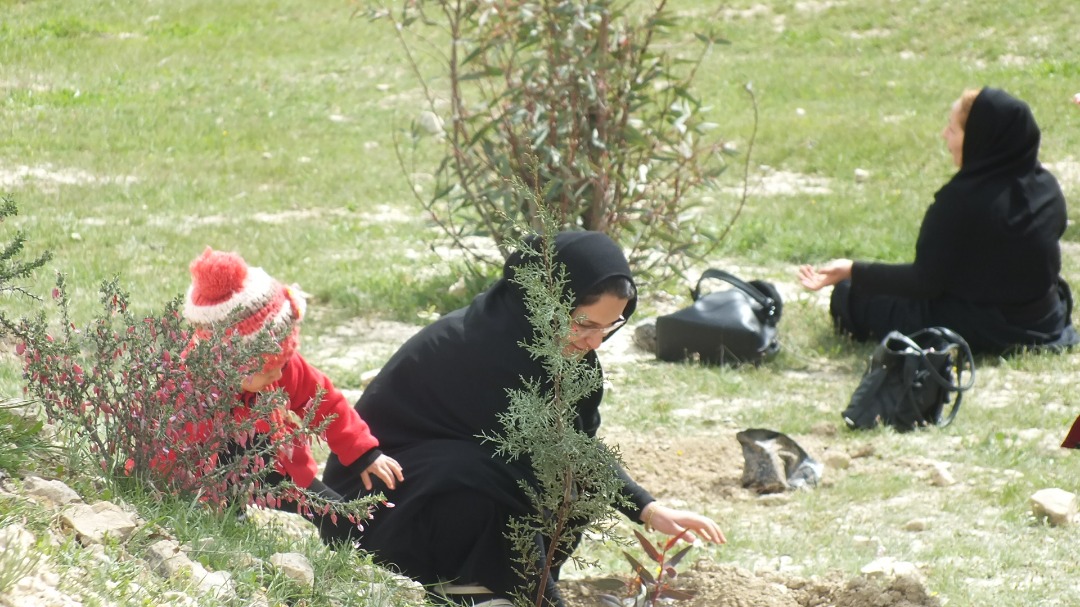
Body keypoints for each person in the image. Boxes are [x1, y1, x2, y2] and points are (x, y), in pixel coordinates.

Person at [322, 231, 725, 607]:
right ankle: (464, 586)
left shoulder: (570, 354)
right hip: (377, 505)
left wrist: (649, 510)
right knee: (494, 477)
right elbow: (516, 481)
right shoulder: (484, 348)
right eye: (585, 323)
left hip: (449, 483)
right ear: (545, 305)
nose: (596, 342)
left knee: (568, 485)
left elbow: (579, 451)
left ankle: (491, 587)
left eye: (610, 326)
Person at [798, 87, 1078, 355]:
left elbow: (924, 283)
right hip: (1043, 321)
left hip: (985, 325)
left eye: (953, 130)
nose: (945, 135)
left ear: (978, 139)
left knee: (849, 295)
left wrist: (853, 270)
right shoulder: (1047, 188)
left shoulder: (960, 201)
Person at [182, 248, 404, 544]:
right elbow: (167, 452)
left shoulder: (283, 367)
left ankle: (346, 552)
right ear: (230, 364)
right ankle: (232, 518)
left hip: (274, 464)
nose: (278, 374)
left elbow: (325, 401)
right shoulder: (190, 389)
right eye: (266, 370)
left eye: (283, 362)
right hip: (212, 477)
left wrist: (364, 453)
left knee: (339, 516)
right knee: (222, 522)